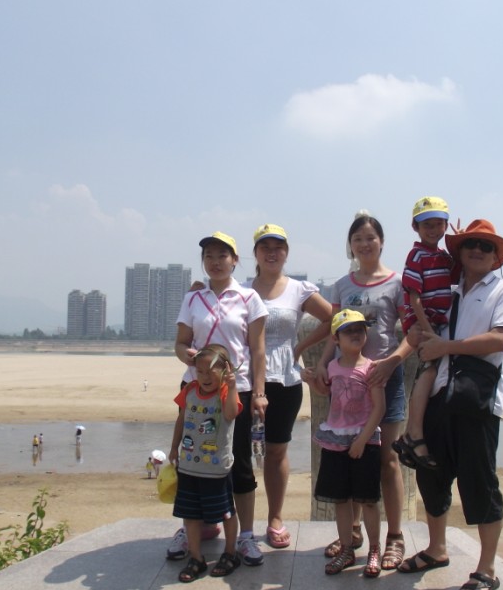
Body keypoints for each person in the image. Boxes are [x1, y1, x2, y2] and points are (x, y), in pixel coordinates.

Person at [399, 219, 503, 590]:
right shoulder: (449, 295)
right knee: (431, 475)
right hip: (440, 394)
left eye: (486, 246)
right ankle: (437, 548)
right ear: (460, 252)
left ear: (496, 256)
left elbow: (500, 339)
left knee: (479, 482)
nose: (478, 251)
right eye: (471, 244)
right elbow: (423, 331)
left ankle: (486, 569)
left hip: (477, 402)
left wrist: (446, 347)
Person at [313, 211, 413, 570]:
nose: (365, 244)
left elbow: (412, 332)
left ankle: (394, 537)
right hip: (348, 381)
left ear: (381, 241)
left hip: (385, 378)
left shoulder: (397, 283)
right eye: (358, 239)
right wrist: (323, 363)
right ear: (350, 246)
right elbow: (333, 330)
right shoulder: (342, 285)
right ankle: (352, 533)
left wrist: (392, 362)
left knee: (387, 459)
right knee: (348, 455)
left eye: (371, 237)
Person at [167, 231, 268, 566]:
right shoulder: (193, 298)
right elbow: (181, 343)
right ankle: (190, 530)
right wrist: (187, 355)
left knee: (239, 464)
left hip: (234, 389)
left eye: (222, 255)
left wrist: (259, 393)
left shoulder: (249, 297)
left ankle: (246, 536)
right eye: (209, 256)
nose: (215, 261)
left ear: (235, 260)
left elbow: (257, 351)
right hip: (196, 389)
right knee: (192, 462)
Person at [248, 223, 332, 549]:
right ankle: (228, 519)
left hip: (285, 379)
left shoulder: (298, 290)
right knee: (235, 451)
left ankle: (275, 518)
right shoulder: (241, 289)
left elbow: (333, 319)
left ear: (286, 252)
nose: (272, 253)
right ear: (255, 253)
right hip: (245, 378)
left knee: (276, 450)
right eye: (265, 247)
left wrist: (300, 347)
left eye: (278, 247)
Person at [309, 310, 386, 576]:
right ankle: (346, 548)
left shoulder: (371, 367)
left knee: (368, 499)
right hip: (335, 438)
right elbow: (325, 392)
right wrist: (311, 380)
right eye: (348, 330)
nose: (355, 334)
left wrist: (362, 440)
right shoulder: (332, 366)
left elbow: (379, 407)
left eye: (359, 330)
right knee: (340, 499)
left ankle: (374, 549)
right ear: (336, 338)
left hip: (364, 439)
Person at [169, 345, 242, 581]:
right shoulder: (190, 390)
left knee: (226, 512)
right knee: (190, 515)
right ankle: (196, 558)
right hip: (189, 466)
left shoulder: (225, 392)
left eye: (211, 371)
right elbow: (181, 419)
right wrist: (174, 448)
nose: (205, 377)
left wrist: (232, 386)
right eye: (200, 372)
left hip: (216, 468)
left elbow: (231, 414)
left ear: (225, 370)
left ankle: (230, 553)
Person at [392, 196, 453, 470]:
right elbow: (414, 298)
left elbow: (459, 273)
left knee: (432, 372)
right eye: (427, 224)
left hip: (437, 322)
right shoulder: (416, 255)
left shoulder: (443, 257)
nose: (433, 229)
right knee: (428, 371)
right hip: (424, 321)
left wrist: (459, 239)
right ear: (415, 227)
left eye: (439, 224)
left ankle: (412, 433)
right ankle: (414, 433)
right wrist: (428, 331)